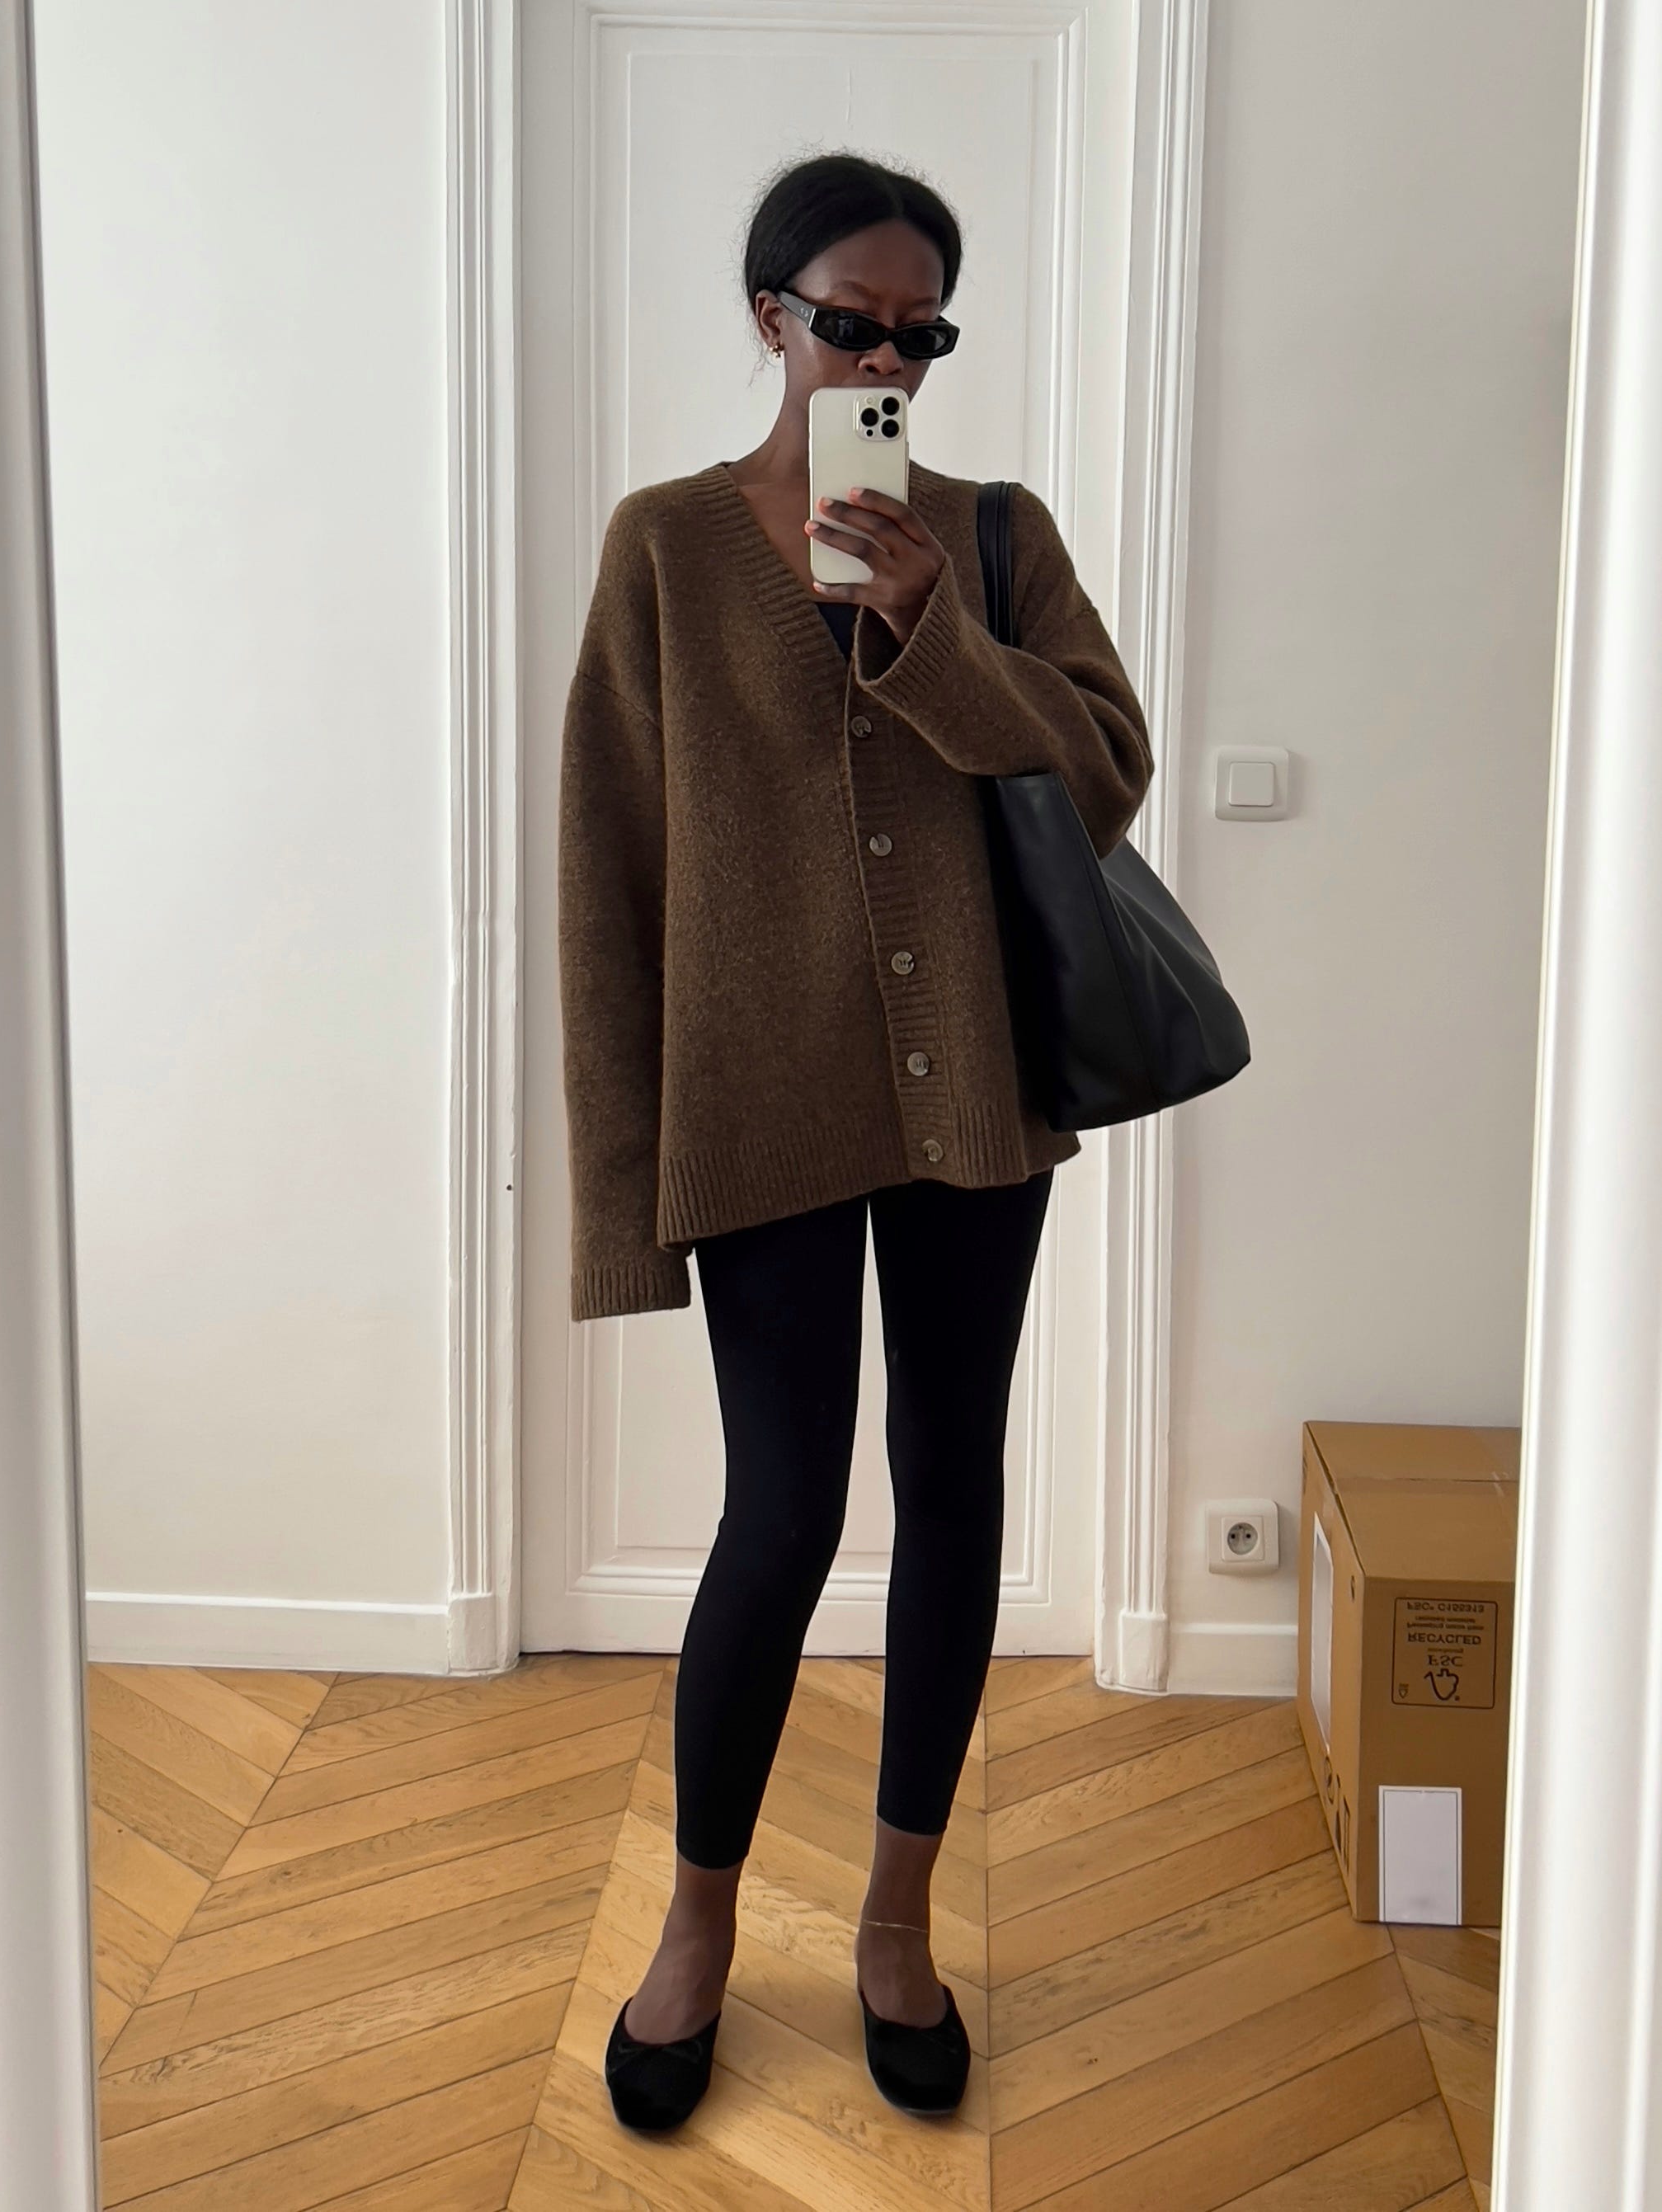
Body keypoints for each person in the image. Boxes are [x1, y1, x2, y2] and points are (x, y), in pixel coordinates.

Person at [556, 151, 1153, 2130]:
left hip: (975, 1089)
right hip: (766, 1099)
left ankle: (895, 1923)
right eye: (848, 321)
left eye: (919, 330)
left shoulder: (990, 535)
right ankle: (700, 1926)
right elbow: (607, 882)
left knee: (951, 1491)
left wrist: (932, 631)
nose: (883, 356)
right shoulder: (659, 548)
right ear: (767, 317)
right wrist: (622, 1207)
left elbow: (1104, 769)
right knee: (782, 1515)